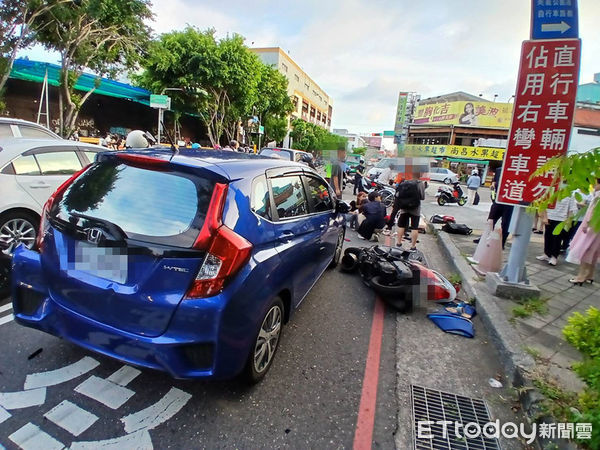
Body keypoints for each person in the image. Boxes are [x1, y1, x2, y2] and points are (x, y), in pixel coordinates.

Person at [567, 178, 600, 284]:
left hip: (592, 227)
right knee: (594, 251)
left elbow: (593, 211)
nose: (594, 185)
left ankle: (581, 276)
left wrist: (586, 224)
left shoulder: (598, 196)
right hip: (597, 228)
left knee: (586, 249)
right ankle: (589, 275)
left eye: (595, 183)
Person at [536, 195, 578, 266]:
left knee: (557, 238)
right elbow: (543, 205)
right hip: (549, 217)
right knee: (548, 236)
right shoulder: (552, 192)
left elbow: (571, 210)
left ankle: (554, 257)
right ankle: (546, 254)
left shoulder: (570, 195)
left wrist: (568, 221)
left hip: (561, 220)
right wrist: (544, 217)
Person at [387, 177, 426, 250]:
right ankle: (413, 247)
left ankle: (398, 244)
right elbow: (422, 197)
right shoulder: (419, 182)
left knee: (401, 226)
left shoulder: (404, 180)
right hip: (415, 208)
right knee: (415, 227)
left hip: (404, 207)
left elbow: (398, 194)